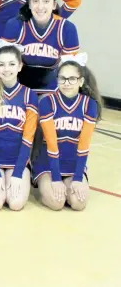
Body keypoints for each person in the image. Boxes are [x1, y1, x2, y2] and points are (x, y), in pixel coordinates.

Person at [33, 53, 102, 211]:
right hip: (48, 162)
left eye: (72, 79)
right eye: (62, 78)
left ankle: (69, 183)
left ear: (81, 81)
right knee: (57, 203)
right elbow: (51, 144)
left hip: (73, 162)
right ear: (57, 80)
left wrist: (78, 178)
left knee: (78, 203)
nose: (67, 83)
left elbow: (84, 145)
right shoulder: (47, 102)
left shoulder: (89, 105)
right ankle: (43, 182)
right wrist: (56, 179)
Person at [0, 41, 38, 210]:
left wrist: (18, 173)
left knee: (16, 204)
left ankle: (18, 174)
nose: (6, 69)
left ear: (20, 66)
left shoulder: (29, 95)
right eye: (1, 64)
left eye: (12, 64)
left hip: (17, 158)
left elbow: (28, 139)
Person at [1, 0, 79, 94]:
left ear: (54, 5)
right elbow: (4, 64)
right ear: (29, 4)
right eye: (35, 1)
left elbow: (69, 70)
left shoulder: (67, 28)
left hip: (52, 89)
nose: (40, 6)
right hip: (18, 87)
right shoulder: (15, 25)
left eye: (46, 1)